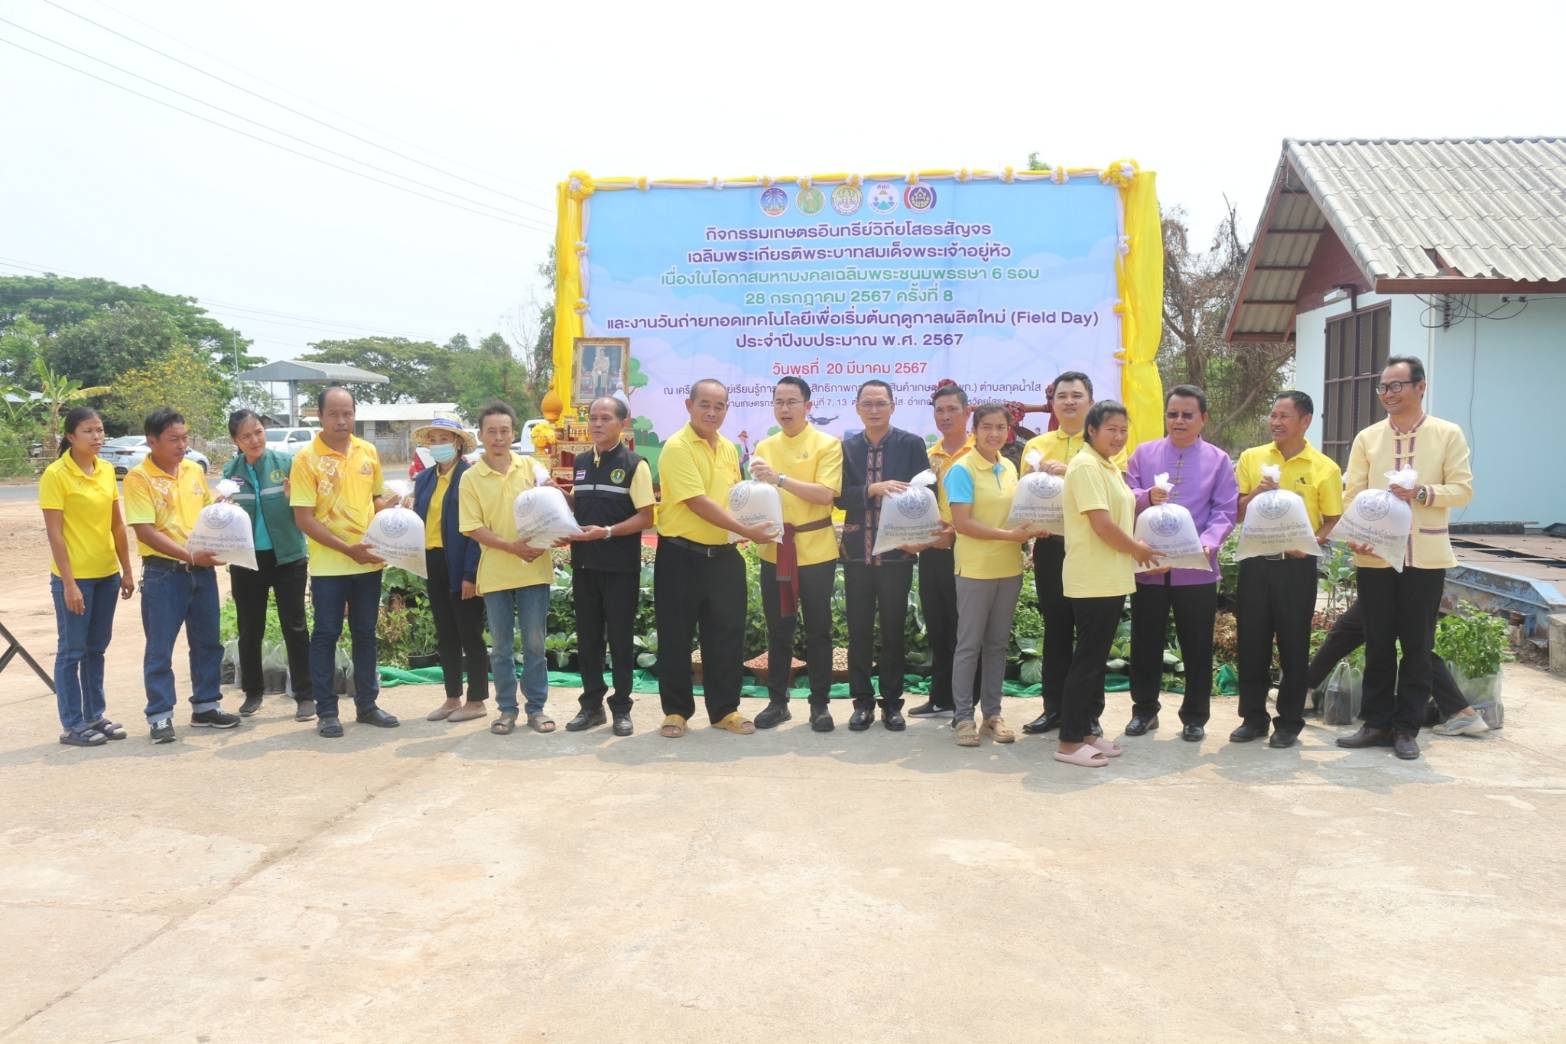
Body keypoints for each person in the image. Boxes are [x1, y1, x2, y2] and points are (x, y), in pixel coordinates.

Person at [1336, 356, 1474, 760]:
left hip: (1425, 557)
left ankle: (1406, 729)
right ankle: (1375, 723)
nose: (1388, 394)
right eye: (1383, 387)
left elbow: (1463, 490)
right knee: (1377, 642)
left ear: (1420, 387)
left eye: (1396, 386)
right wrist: (1355, 536)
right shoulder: (1368, 438)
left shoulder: (1447, 434)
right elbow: (1352, 492)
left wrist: (1422, 493)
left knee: (1417, 646)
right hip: (1375, 556)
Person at [653, 379, 778, 739]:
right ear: (688, 404)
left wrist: (752, 522)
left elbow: (735, 498)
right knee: (675, 636)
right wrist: (750, 530)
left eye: (719, 405)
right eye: (704, 404)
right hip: (681, 555)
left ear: (726, 408)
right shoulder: (677, 447)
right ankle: (676, 710)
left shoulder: (727, 448)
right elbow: (698, 502)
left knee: (726, 635)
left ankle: (725, 709)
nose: (711, 412)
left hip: (724, 557)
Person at [1123, 385, 1238, 742]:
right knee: (1145, 642)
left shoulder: (1218, 460)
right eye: (1173, 414)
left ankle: (1195, 717)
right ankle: (1144, 711)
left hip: (1196, 570)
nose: (1179, 421)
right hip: (1150, 567)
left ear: (1203, 419)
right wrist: (1144, 497)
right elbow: (1124, 497)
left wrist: (1209, 542)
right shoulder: (1144, 454)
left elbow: (1225, 509)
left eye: (1188, 414)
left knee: (1196, 644)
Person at [1231, 391, 1342, 748]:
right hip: (1255, 565)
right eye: (1273, 415)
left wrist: (1312, 544)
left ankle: (1289, 722)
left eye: (1284, 416)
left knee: (1293, 644)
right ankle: (1252, 718)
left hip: (1297, 566)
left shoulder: (1323, 467)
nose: (1276, 422)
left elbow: (1332, 518)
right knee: (1251, 642)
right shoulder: (1253, 458)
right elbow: (1237, 511)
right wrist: (1257, 494)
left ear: (1305, 421)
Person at [290, 386, 400, 738]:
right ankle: (326, 711)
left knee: (365, 634)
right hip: (329, 566)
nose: (342, 420)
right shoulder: (306, 459)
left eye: (348, 412)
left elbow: (375, 502)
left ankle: (367, 705)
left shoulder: (368, 452)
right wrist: (347, 548)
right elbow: (304, 519)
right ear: (320, 416)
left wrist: (396, 513)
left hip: (368, 561)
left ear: (355, 414)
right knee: (326, 634)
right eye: (334, 413)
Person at [124, 407, 239, 742]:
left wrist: (222, 509)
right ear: (152, 441)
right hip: (164, 574)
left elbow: (207, 510)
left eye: (185, 437)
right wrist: (190, 554)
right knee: (160, 647)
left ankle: (206, 706)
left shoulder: (192, 470)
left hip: (201, 572)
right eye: (173, 439)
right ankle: (160, 714)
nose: (182, 445)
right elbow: (145, 531)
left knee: (207, 643)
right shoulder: (138, 479)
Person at [1056, 401, 1161, 767]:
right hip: (1092, 578)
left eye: (1122, 430)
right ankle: (1069, 742)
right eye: (1111, 429)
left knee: (1096, 661)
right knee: (1086, 662)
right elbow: (1100, 523)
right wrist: (1137, 549)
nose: (1118, 436)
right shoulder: (1085, 466)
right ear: (1092, 431)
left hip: (1111, 577)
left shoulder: (1107, 466)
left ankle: (1086, 731)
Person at [1020, 370, 1124, 737]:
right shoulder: (1036, 446)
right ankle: (1054, 709)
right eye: (1061, 395)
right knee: (1057, 629)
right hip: (1052, 547)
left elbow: (1117, 491)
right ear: (1052, 403)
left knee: (1091, 636)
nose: (1068, 401)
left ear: (1090, 402)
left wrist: (1071, 472)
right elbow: (1025, 496)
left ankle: (1088, 713)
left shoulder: (1105, 445)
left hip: (1093, 549)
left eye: (1076, 395)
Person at [749, 377, 844, 733]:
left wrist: (780, 479)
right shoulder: (765, 445)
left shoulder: (827, 444)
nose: (785, 409)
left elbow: (825, 495)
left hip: (815, 550)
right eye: (779, 402)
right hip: (774, 549)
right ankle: (778, 702)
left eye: (792, 402)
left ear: (808, 405)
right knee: (778, 630)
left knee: (819, 630)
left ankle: (819, 704)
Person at [836, 379, 930, 731]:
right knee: (858, 631)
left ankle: (892, 704)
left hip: (897, 552)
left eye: (880, 403)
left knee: (894, 631)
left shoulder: (911, 444)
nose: (874, 410)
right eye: (867, 403)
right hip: (857, 552)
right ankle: (861, 704)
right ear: (857, 407)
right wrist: (872, 489)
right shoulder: (846, 448)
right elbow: (837, 496)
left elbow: (926, 491)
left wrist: (918, 538)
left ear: (893, 406)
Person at [458, 401, 557, 736]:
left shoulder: (531, 468)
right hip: (496, 572)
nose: (498, 437)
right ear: (481, 435)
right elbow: (472, 527)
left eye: (504, 430)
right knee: (500, 645)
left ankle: (537, 708)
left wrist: (551, 534)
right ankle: (506, 709)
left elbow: (552, 510)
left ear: (513, 433)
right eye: (492, 431)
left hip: (534, 569)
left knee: (534, 643)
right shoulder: (470, 477)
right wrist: (511, 547)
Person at [39, 406, 135, 747]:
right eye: (88, 431)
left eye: (100, 429)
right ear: (70, 437)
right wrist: (68, 583)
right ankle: (72, 723)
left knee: (96, 648)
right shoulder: (55, 475)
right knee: (72, 650)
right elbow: (55, 534)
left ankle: (95, 715)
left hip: (106, 574)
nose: (97, 436)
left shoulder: (107, 470)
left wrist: (126, 569)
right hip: (75, 579)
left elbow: (116, 524)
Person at [563, 396, 654, 736]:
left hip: (619, 568)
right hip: (584, 566)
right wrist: (560, 499)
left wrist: (609, 532)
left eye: (606, 418)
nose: (598, 424)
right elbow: (582, 504)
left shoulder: (635, 464)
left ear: (622, 423)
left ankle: (621, 709)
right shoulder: (582, 462)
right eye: (593, 418)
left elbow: (646, 516)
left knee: (619, 639)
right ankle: (591, 707)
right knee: (587, 640)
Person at [944, 402, 1032, 747]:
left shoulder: (1009, 466)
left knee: (997, 645)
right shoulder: (962, 469)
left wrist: (1027, 537)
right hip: (976, 569)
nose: (994, 434)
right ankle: (963, 718)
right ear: (974, 431)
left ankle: (992, 715)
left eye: (1000, 428)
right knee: (968, 646)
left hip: (1009, 568)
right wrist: (1011, 537)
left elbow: (1016, 515)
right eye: (987, 427)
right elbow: (962, 523)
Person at [223, 409, 314, 722]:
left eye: (258, 432)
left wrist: (294, 496)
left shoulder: (286, 463)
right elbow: (227, 515)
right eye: (246, 436)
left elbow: (306, 504)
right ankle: (253, 691)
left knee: (295, 626)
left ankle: (305, 694)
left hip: (287, 556)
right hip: (247, 560)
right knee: (250, 628)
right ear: (236, 440)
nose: (254, 440)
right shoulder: (230, 471)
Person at [1307, 599, 1488, 736]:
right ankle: (1462, 712)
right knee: (1416, 647)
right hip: (1407, 570)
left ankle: (1303, 690)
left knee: (1350, 629)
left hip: (1397, 570)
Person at [409, 417, 488, 725]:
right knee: (445, 633)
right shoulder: (425, 478)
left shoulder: (470, 477)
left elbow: (475, 528)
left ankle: (477, 699)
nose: (438, 444)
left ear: (457, 443)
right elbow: (418, 519)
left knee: (469, 631)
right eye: (433, 439)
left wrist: (471, 574)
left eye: (444, 438)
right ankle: (452, 697)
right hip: (433, 561)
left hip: (461, 561)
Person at [909, 381, 972, 719]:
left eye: (952, 409)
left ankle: (968, 702)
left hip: (970, 549)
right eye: (939, 411)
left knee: (967, 628)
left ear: (967, 412)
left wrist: (956, 532)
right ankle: (940, 697)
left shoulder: (981, 452)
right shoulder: (929, 456)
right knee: (938, 623)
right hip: (933, 549)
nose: (946, 416)